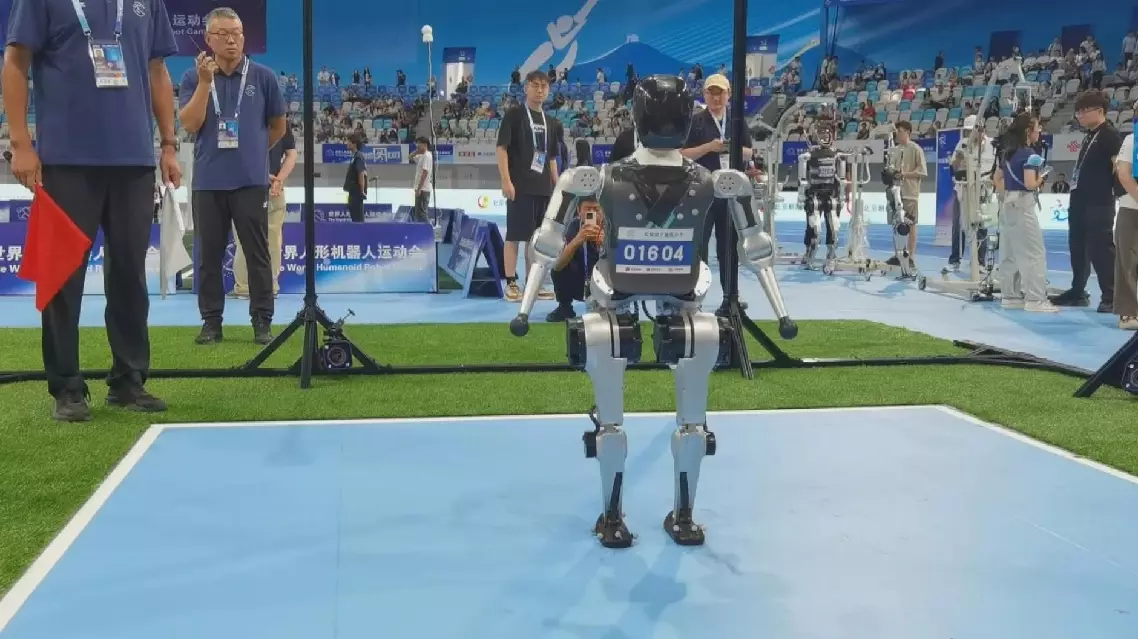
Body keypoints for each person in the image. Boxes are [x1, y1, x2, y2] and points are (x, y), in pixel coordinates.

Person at [3, 0, 181, 421]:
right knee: (62, 277)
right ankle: (66, 387)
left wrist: (169, 143)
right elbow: (15, 62)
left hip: (133, 160)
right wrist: (21, 143)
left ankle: (128, 381)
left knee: (130, 275)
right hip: (66, 159)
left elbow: (157, 70)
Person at [178, 7, 287, 346]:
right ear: (208, 39)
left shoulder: (264, 77)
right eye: (223, 34)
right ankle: (211, 323)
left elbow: (278, 127)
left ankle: (262, 322)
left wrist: (253, 153)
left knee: (257, 254)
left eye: (237, 33)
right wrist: (205, 83)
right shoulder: (193, 77)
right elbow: (190, 124)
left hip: (250, 182)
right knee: (208, 257)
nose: (231, 40)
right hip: (208, 182)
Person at [680, 73, 758, 314]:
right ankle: (695, 295)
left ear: (728, 95)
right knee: (698, 246)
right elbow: (681, 154)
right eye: (711, 93)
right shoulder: (695, 121)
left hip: (730, 193)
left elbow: (749, 152)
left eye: (720, 93)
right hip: (702, 192)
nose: (716, 98)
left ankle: (730, 296)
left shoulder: (736, 121)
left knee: (729, 248)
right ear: (704, 95)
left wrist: (728, 147)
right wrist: (708, 148)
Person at [496, 70, 564, 302]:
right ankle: (511, 283)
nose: (540, 90)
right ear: (526, 88)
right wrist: (506, 180)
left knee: (535, 240)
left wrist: (557, 185)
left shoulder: (552, 122)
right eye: (535, 85)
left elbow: (552, 158)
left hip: (543, 188)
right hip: (519, 186)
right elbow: (501, 149)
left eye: (544, 86)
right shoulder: (514, 116)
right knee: (514, 235)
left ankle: (532, 284)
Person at [1050, 91, 1121, 313]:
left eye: (1083, 111)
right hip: (1080, 199)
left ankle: (1111, 295)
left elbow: (1118, 167)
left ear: (1099, 111)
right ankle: (1078, 291)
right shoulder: (1090, 135)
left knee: (1100, 249)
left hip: (1099, 201)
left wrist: (1118, 192)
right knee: (1077, 247)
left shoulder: (1109, 135)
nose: (1078, 115)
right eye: (1077, 111)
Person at [993, 114, 1057, 313]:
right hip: (1023, 204)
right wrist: (1041, 180)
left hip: (1008, 204)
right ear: (1028, 131)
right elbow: (1030, 184)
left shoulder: (1008, 153)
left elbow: (997, 178)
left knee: (1010, 253)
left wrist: (1008, 194)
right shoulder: (1030, 155)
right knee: (1033, 253)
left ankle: (1010, 296)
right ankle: (1036, 299)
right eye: (1038, 128)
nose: (1040, 132)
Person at [232, 124, 296, 299]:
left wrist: (278, 179)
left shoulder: (278, 121)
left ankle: (250, 287)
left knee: (255, 238)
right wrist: (274, 178)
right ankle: (262, 287)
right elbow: (291, 154)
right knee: (264, 238)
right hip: (248, 185)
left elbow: (291, 153)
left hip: (259, 186)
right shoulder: (278, 120)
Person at [949, 114, 996, 269]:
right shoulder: (963, 143)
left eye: (973, 131)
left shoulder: (992, 145)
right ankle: (955, 259)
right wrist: (958, 160)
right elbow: (953, 167)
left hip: (983, 191)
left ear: (981, 129)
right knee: (959, 224)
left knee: (981, 224)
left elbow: (997, 169)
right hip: (963, 189)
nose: (970, 134)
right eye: (968, 131)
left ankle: (979, 262)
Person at [545, 197, 603, 322]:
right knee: (558, 265)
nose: (592, 214)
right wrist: (578, 240)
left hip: (604, 280)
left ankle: (616, 309)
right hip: (581, 281)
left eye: (596, 210)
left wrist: (605, 244)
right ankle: (564, 307)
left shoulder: (611, 226)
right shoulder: (574, 225)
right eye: (588, 209)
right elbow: (558, 265)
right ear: (579, 211)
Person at [884, 120, 927, 268]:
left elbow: (922, 171)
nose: (897, 134)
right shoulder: (894, 150)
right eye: (896, 131)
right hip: (895, 191)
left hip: (910, 192)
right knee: (896, 224)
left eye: (900, 131)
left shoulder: (916, 149)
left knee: (910, 224)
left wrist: (904, 174)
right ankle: (898, 254)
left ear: (907, 132)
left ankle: (910, 257)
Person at [1113, 130, 1138, 330]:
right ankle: (1128, 312)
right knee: (1127, 262)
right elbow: (1123, 174)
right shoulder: (1132, 140)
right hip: (1132, 208)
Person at [344, 132, 368, 222]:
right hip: (352, 192)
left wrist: (362, 191)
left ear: (354, 144)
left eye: (348, 141)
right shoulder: (353, 157)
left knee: (358, 220)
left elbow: (361, 173)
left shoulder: (358, 156)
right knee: (354, 219)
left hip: (357, 193)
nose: (347, 143)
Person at [411, 136, 433, 222]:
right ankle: (420, 229)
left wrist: (419, 189)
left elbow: (425, 173)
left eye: (419, 143)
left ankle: (428, 228)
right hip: (419, 188)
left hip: (423, 189)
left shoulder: (427, 156)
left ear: (424, 144)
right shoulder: (421, 156)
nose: (417, 145)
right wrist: (417, 151)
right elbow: (410, 157)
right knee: (417, 213)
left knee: (422, 213)